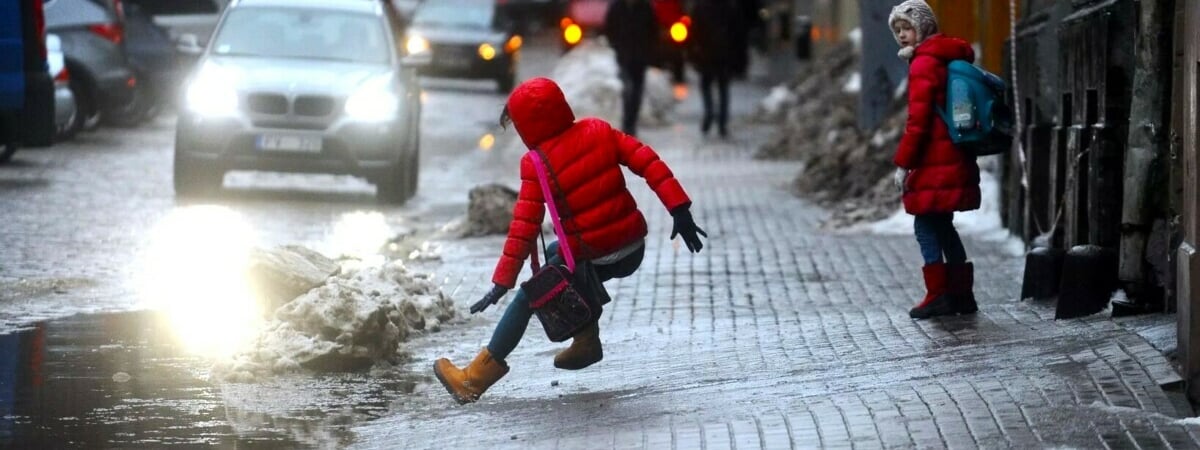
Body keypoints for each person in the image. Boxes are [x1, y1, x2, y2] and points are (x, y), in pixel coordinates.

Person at [433, 77, 708, 404]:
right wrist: (680, 210)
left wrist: (502, 283)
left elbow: (524, 226)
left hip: (596, 253)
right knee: (555, 254)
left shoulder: (536, 162)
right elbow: (647, 161)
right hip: (632, 247)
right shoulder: (598, 129)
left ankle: (474, 379)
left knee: (530, 293)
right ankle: (586, 342)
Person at [888, 0, 981, 320]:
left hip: (934, 157)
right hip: (951, 154)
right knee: (942, 224)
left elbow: (919, 120)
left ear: (924, 27)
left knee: (925, 223)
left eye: (907, 28)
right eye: (897, 30)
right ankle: (961, 294)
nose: (901, 35)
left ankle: (938, 293)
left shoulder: (924, 63)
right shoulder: (944, 55)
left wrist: (903, 162)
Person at [687, 0, 744, 137]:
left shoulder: (701, 6)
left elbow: (694, 31)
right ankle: (722, 122)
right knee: (723, 88)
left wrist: (694, 53)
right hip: (723, 54)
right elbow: (736, 33)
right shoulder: (729, 6)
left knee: (707, 86)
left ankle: (710, 114)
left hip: (706, 54)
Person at [603, 0, 659, 136]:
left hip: (640, 57)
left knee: (637, 91)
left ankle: (631, 122)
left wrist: (649, 50)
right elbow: (610, 28)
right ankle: (627, 122)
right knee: (628, 89)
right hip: (624, 56)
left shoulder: (645, 7)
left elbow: (653, 30)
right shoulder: (617, 7)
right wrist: (616, 46)